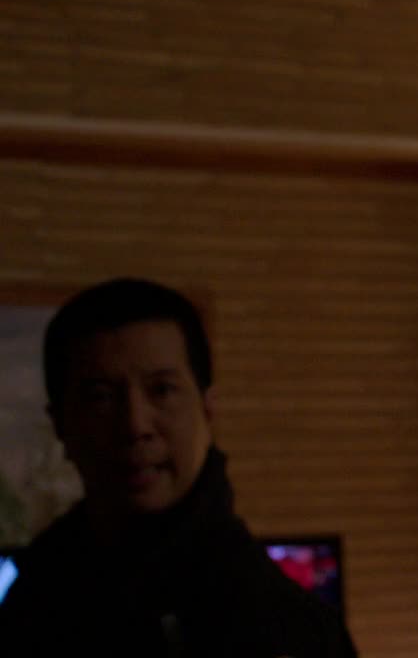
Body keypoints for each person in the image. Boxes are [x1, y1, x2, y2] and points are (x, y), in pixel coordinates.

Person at [0, 278, 358, 658]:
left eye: (162, 390)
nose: (135, 425)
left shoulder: (285, 626)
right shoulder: (34, 603)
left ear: (207, 408)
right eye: (101, 397)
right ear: (60, 423)